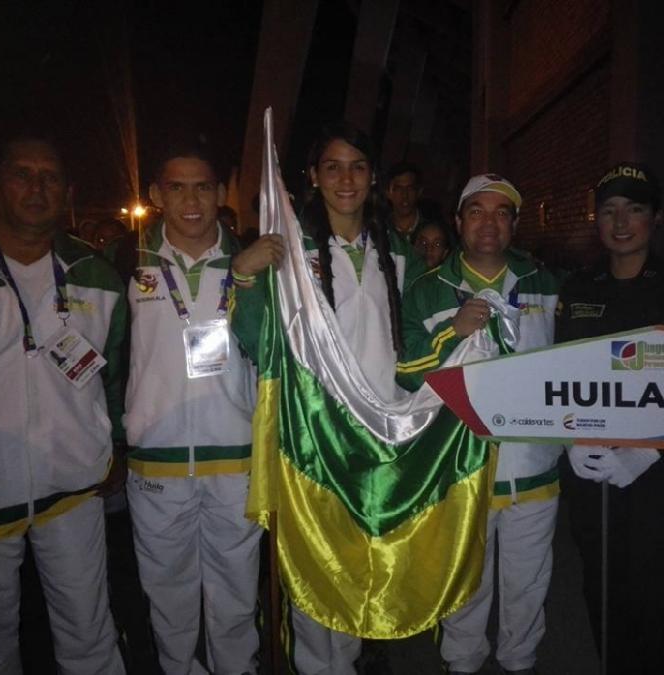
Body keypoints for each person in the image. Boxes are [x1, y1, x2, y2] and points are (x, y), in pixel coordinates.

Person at [231, 122, 422, 675]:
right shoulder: (290, 251)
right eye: (332, 166)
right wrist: (244, 277)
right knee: (315, 568)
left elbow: (413, 343)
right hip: (314, 436)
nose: (346, 178)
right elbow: (258, 339)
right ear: (313, 177)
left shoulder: (398, 252)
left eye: (358, 166)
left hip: (381, 438)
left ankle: (353, 659)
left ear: (373, 176)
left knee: (364, 564)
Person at [0, 131, 127, 674]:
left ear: (67, 193)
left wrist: (115, 445)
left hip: (74, 481)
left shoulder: (95, 274)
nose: (36, 187)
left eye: (50, 178)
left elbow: (114, 374)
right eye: (22, 174)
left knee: (88, 628)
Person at [555, 163, 664, 674]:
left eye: (635, 209)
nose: (621, 222)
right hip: (594, 473)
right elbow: (559, 375)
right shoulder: (578, 288)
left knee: (661, 598)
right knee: (604, 592)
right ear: (596, 219)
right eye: (609, 211)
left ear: (657, 217)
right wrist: (570, 439)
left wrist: (651, 451)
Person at [397, 174, 562, 675]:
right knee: (466, 580)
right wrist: (452, 332)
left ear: (514, 223)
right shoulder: (426, 290)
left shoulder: (544, 283)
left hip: (533, 464)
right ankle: (462, 662)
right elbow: (404, 373)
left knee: (528, 582)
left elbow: (567, 366)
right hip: (459, 466)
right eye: (476, 212)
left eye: (501, 213)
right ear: (458, 220)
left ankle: (520, 661)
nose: (489, 223)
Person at [112, 138, 262, 675]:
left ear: (221, 193)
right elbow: (110, 354)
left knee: (237, 592)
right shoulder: (127, 262)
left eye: (203, 187)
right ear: (157, 195)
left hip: (235, 457)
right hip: (157, 459)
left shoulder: (251, 261)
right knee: (167, 593)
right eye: (177, 188)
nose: (191, 200)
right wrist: (119, 435)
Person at [386, 161, 433, 241]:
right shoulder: (380, 230)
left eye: (410, 188)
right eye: (399, 189)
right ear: (388, 193)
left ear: (419, 192)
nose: (405, 195)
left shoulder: (433, 231)